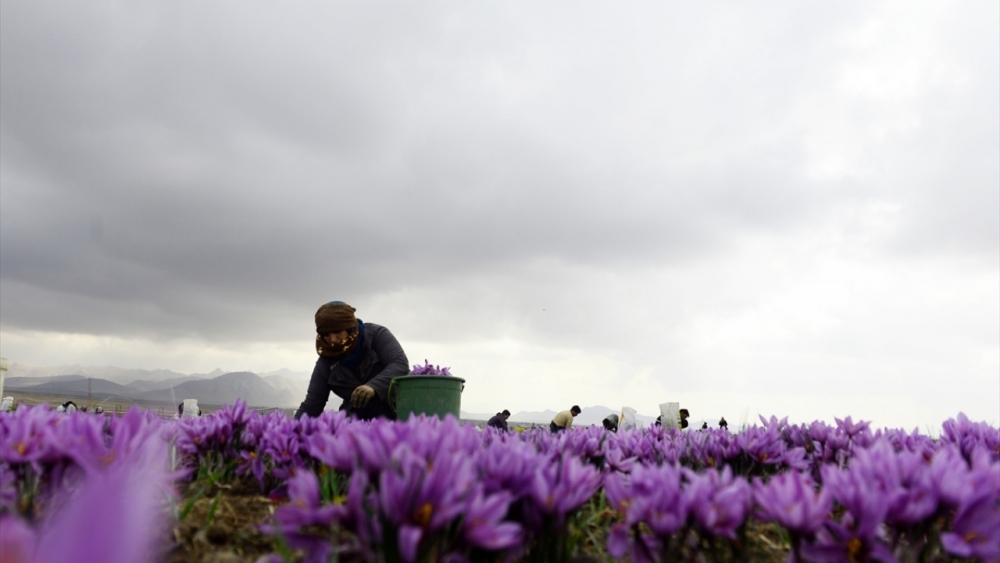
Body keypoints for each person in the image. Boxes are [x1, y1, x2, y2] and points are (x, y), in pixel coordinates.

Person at [296, 301, 409, 421]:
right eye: (326, 334)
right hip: (355, 422)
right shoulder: (326, 361)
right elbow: (312, 405)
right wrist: (290, 431)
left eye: (337, 331)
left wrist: (373, 386)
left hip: (396, 413)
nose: (333, 339)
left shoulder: (376, 335)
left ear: (350, 327)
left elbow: (399, 363)